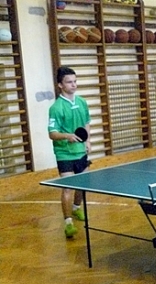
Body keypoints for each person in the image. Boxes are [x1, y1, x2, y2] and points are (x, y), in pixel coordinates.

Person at [48, 66, 91, 239]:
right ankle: (68, 223)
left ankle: (76, 208)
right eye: (69, 82)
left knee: (82, 185)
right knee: (68, 187)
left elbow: (86, 122)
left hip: (81, 151)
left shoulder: (82, 102)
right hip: (64, 153)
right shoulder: (56, 108)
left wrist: (87, 140)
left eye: (75, 81)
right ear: (60, 85)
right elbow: (52, 134)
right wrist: (67, 136)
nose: (73, 85)